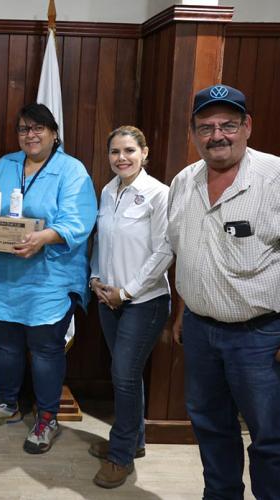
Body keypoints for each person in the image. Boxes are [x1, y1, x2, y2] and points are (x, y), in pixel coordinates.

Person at [168, 84, 280, 500]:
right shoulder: (184, 182)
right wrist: (185, 307)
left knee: (271, 439)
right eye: (205, 127)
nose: (217, 135)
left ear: (247, 127)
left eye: (228, 125)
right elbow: (187, 250)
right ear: (193, 133)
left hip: (262, 337)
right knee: (210, 428)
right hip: (202, 334)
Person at [0, 103, 97, 454]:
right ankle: (7, 403)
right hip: (3, 275)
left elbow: (79, 221)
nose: (31, 135)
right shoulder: (4, 165)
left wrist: (42, 238)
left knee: (44, 350)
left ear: (54, 133)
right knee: (6, 346)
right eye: (24, 129)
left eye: (39, 128)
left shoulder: (72, 170)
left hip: (49, 277)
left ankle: (47, 417)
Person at [88, 126, 173, 488]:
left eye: (129, 151)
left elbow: (165, 251)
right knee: (127, 375)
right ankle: (134, 441)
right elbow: (101, 241)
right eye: (114, 152)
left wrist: (128, 292)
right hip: (108, 299)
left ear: (145, 153)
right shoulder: (108, 191)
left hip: (145, 302)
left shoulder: (159, 194)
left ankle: (120, 456)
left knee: (123, 374)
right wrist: (94, 278)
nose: (121, 158)